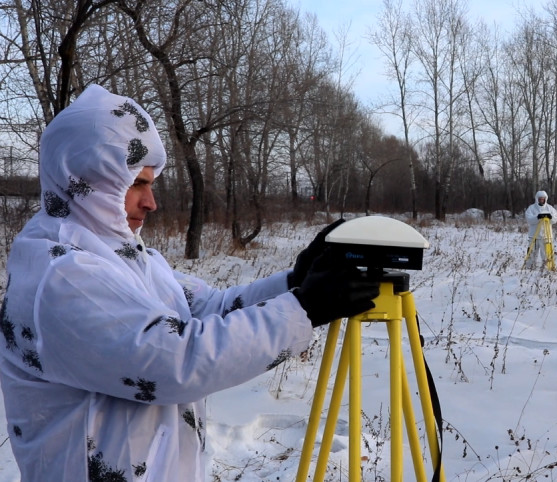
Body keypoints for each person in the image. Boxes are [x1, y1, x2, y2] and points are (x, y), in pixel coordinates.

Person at [0, 84, 379, 481]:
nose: (151, 203)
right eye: (135, 184)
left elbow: (207, 309)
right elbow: (172, 358)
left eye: (151, 184)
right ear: (86, 179)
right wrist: (303, 309)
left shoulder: (121, 255)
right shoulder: (59, 276)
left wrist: (294, 282)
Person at [524, 190, 557, 268]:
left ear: (546, 199)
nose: (541, 200)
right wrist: (537, 217)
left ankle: (548, 268)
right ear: (537, 199)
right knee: (531, 252)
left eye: (543, 199)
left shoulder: (550, 208)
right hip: (534, 236)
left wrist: (550, 217)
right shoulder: (531, 208)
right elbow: (529, 219)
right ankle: (529, 267)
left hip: (546, 236)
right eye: (540, 199)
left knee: (547, 253)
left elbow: (555, 219)